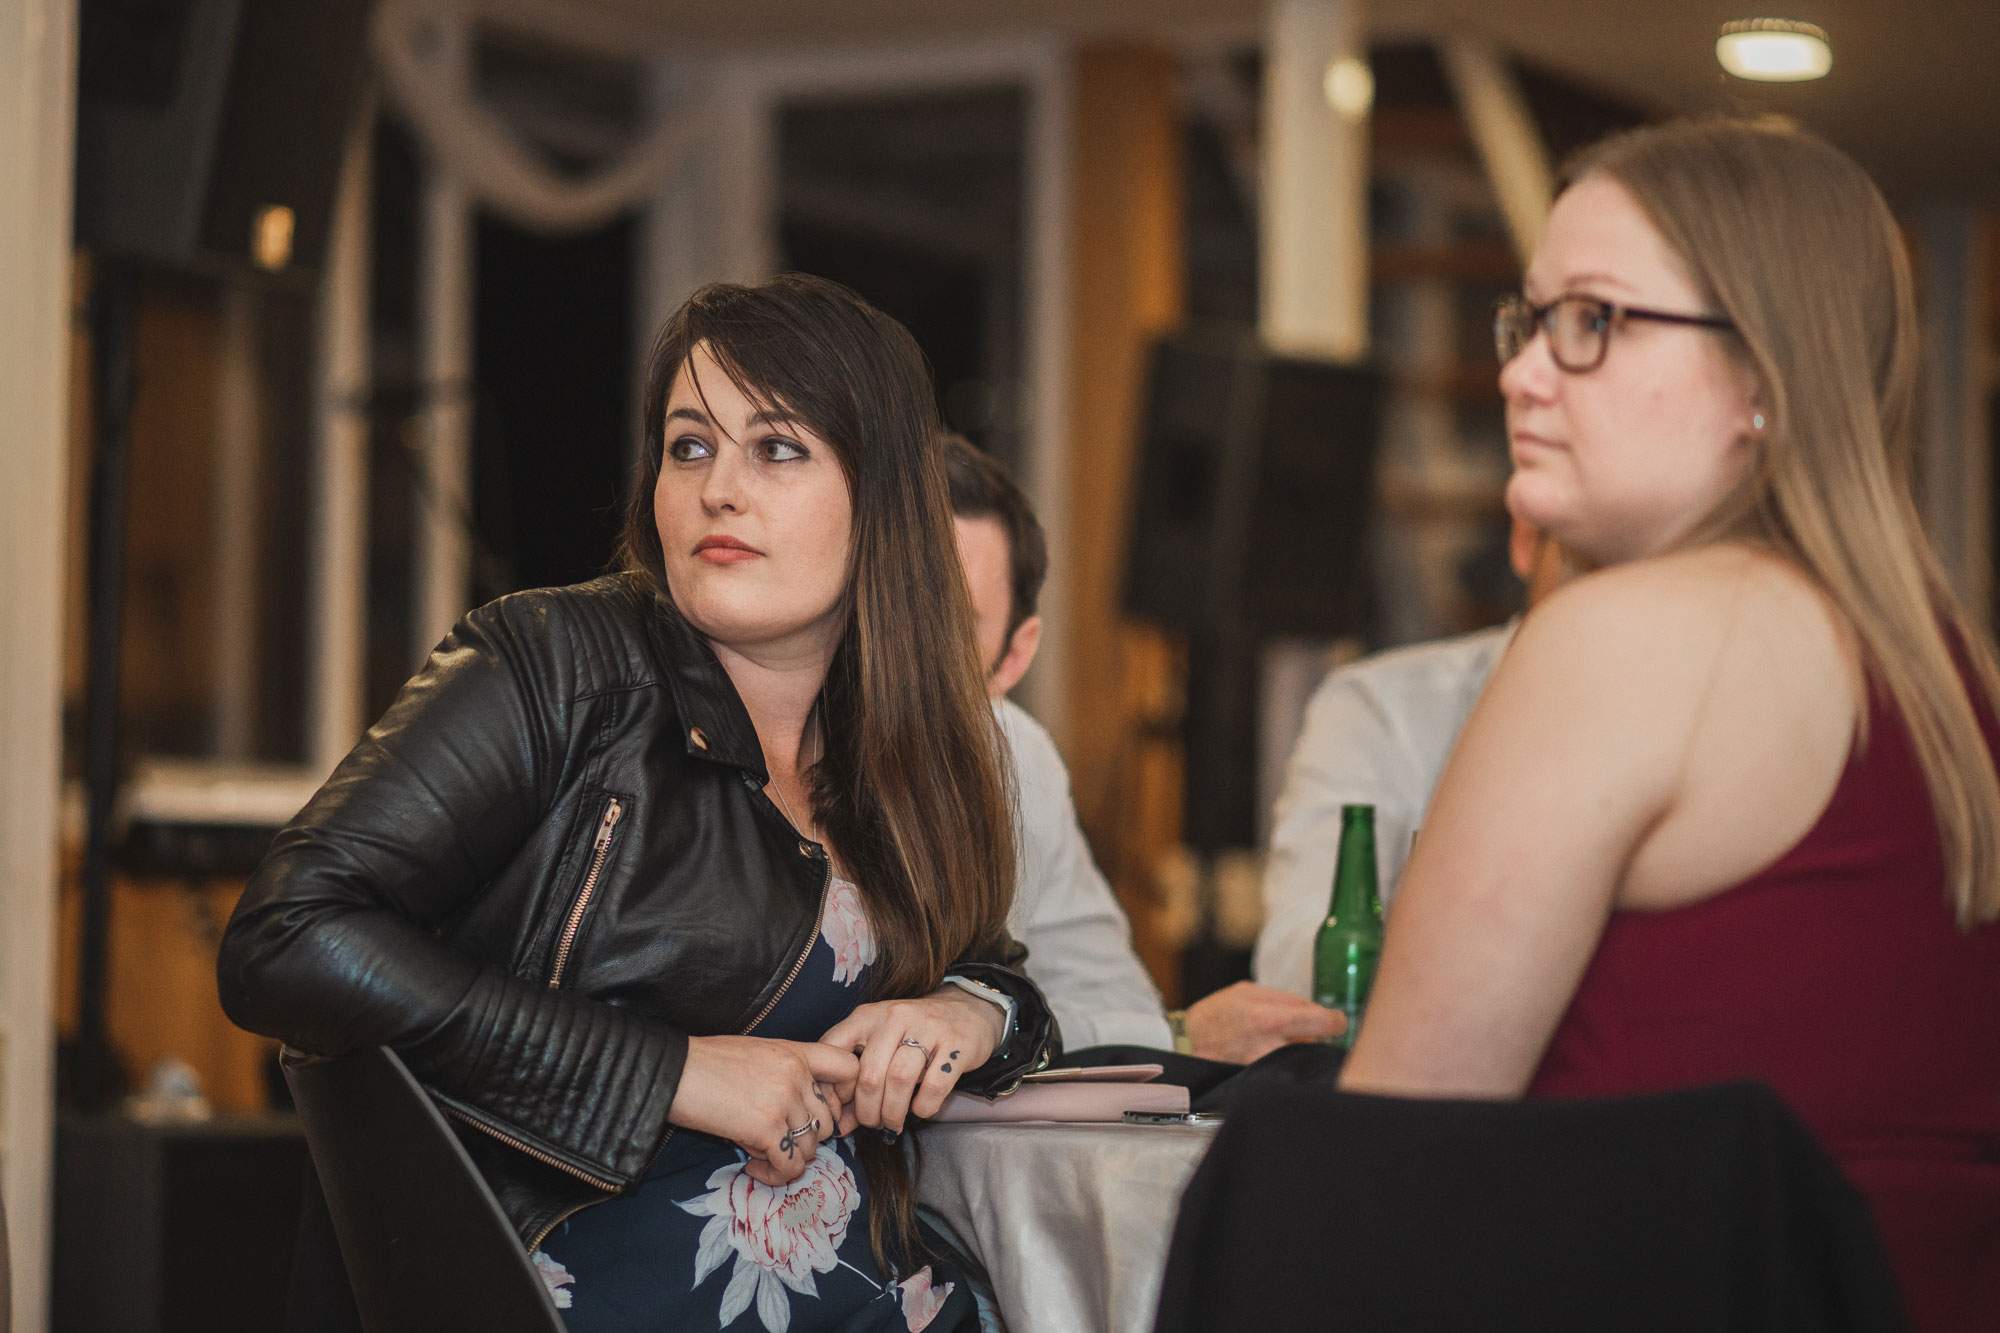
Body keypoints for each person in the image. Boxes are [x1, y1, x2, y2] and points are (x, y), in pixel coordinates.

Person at [218, 275, 1055, 1333]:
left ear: (882, 495)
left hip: (882, 1292)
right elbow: (285, 936)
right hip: (570, 1290)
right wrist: (668, 1073)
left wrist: (964, 1010)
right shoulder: (553, 665)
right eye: (690, 445)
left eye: (779, 448)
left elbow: (1005, 973)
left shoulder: (910, 748)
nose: (718, 489)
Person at [1339, 119, 2000, 1331]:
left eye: (1591, 320)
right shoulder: (1950, 674)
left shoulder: (1622, 639)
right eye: (1525, 320)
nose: (1520, 373)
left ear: (1764, 374)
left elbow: (1394, 1159)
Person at [943, 435, 1337, 1062]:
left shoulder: (1015, 753)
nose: (904, 645)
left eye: (947, 623)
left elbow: (1106, 997)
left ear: (1012, 658)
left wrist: (1168, 1036)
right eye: (886, 604)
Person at [1254, 518, 1568, 999]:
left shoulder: (1707, 728)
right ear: (1527, 539)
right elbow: (1297, 965)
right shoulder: (1385, 707)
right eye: (1596, 554)